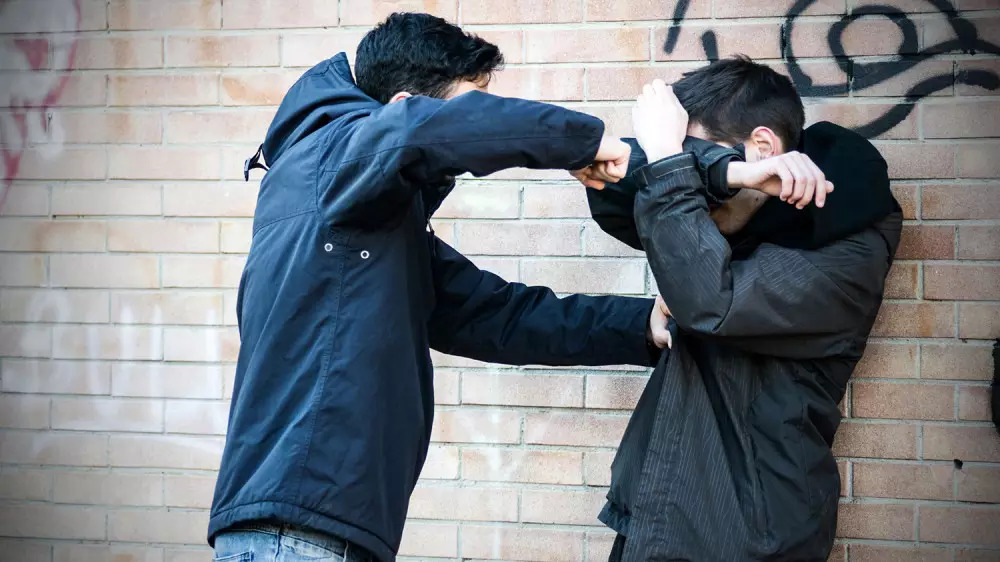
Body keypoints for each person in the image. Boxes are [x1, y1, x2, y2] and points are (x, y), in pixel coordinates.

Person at [207, 12, 671, 562]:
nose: (482, 124)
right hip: (295, 533)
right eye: (469, 109)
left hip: (316, 528)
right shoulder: (330, 156)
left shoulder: (368, 222)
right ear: (405, 105)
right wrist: (584, 142)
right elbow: (419, 132)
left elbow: (497, 316)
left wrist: (641, 325)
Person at [579, 58, 902, 561]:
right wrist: (712, 167)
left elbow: (711, 303)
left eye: (695, 159)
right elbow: (613, 193)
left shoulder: (846, 248)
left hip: (746, 535)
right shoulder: (738, 216)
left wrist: (669, 161)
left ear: (764, 147)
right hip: (656, 516)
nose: (690, 184)